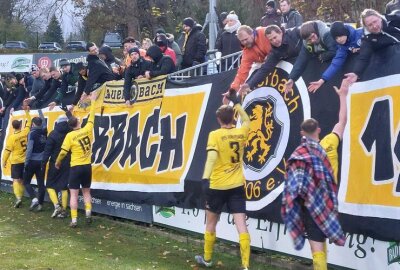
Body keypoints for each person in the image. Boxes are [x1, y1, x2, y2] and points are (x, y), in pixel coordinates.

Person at [282, 81, 349, 270]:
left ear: (302, 133)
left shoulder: (299, 154)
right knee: (321, 240)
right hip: (330, 202)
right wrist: (343, 97)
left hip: (312, 205)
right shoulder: (330, 142)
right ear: (319, 129)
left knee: (316, 246)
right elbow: (342, 121)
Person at [195, 90, 251, 270]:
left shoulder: (215, 135)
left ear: (219, 120)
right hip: (236, 186)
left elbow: (211, 158)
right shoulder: (241, 132)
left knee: (211, 223)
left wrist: (205, 179)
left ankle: (207, 259)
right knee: (241, 225)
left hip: (217, 186)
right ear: (233, 118)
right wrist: (236, 103)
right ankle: (245, 265)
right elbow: (248, 121)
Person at [55, 91, 98, 228]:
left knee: (73, 194)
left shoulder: (69, 136)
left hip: (75, 167)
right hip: (87, 166)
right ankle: (88, 213)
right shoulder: (87, 129)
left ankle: (74, 220)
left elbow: (63, 153)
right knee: (86, 191)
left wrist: (58, 162)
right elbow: (92, 116)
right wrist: (93, 101)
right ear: (78, 122)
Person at [240, 25, 302, 94]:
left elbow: (311, 28)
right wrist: (249, 84)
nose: (274, 41)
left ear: (280, 32)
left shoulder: (294, 32)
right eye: (271, 40)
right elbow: (265, 69)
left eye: (275, 37)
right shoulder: (274, 52)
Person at [344, 9, 400, 84]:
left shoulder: (393, 19)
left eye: (375, 21)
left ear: (379, 18)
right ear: (366, 27)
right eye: (370, 25)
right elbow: (363, 57)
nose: (374, 26)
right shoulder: (367, 39)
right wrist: (356, 73)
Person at [307, 22, 363, 93]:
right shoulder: (342, 47)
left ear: (345, 32)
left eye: (340, 35)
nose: (339, 39)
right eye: (336, 38)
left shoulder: (361, 33)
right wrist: (322, 80)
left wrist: (363, 49)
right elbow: (335, 64)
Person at [284, 21, 337, 93]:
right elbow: (301, 60)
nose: (313, 40)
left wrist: (323, 56)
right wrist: (292, 78)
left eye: (313, 36)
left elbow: (335, 50)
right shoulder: (306, 42)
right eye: (309, 39)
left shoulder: (326, 33)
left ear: (315, 31)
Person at [43, 114, 72, 218]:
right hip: (68, 162)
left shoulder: (53, 134)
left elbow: (47, 151)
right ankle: (64, 210)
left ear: (57, 123)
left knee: (50, 185)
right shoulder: (71, 132)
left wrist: (44, 163)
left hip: (55, 162)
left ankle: (56, 205)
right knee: (64, 186)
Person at [228, 25, 272, 93]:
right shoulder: (246, 52)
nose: (245, 42)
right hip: (264, 64)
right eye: (242, 41)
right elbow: (242, 72)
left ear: (252, 34)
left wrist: (271, 55)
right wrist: (232, 90)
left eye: (246, 39)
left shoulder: (264, 32)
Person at [2, 104, 31, 208]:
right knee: (22, 180)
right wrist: (27, 112)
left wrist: (3, 161)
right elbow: (29, 123)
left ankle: (18, 198)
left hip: (16, 161)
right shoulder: (25, 132)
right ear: (20, 125)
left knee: (15, 180)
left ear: (13, 127)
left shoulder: (11, 138)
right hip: (25, 160)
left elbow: (7, 151)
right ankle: (21, 197)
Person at [23, 109, 47, 211]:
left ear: (32, 124)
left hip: (32, 161)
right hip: (42, 162)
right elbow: (44, 121)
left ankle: (34, 199)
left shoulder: (32, 134)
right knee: (41, 183)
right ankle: (40, 205)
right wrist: (40, 111)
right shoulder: (44, 130)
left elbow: (29, 149)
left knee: (26, 181)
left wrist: (26, 162)